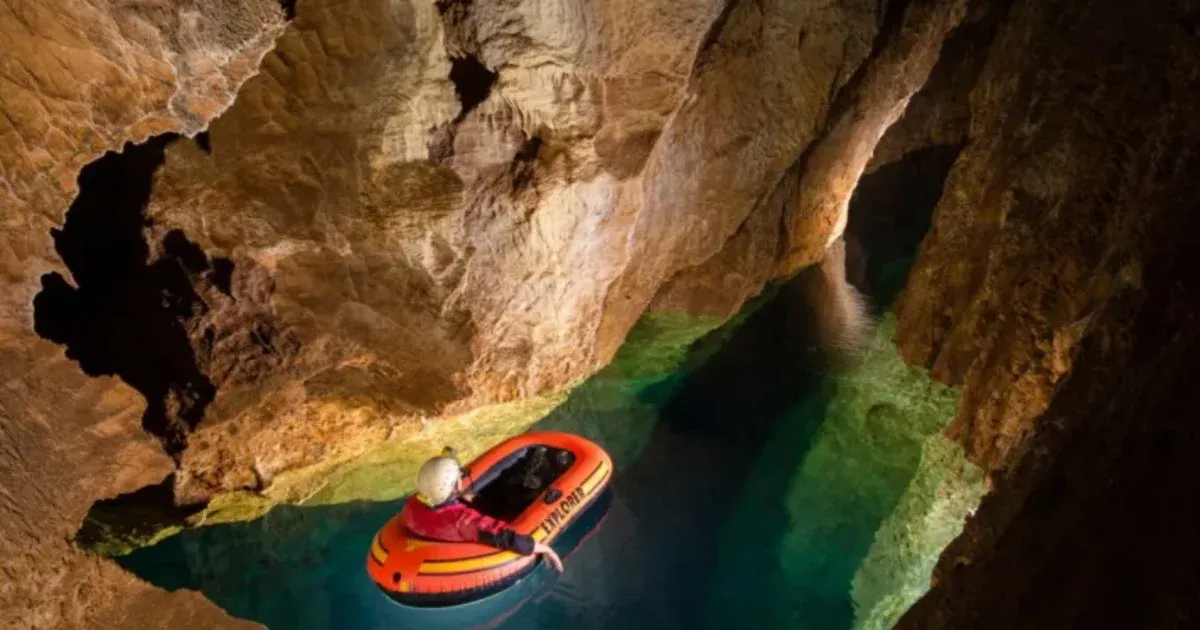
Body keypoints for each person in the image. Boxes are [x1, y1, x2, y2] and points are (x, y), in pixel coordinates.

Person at [400, 447, 564, 572]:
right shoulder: (462, 521)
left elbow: (440, 513)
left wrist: (460, 499)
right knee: (507, 496)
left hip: (446, 527)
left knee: (481, 497)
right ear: (454, 486)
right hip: (472, 532)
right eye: (459, 477)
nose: (461, 477)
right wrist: (546, 549)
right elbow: (506, 538)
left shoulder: (412, 506)